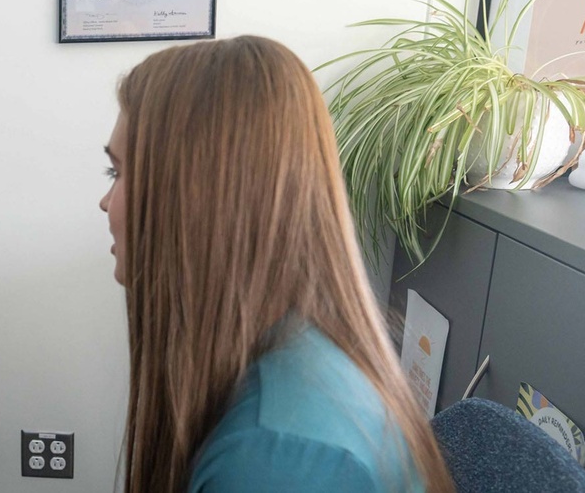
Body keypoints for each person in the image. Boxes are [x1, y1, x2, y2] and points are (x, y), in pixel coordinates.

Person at [99, 36, 454, 492]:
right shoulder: (297, 343)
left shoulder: (272, 460)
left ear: (197, 200)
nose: (106, 203)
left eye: (119, 172)